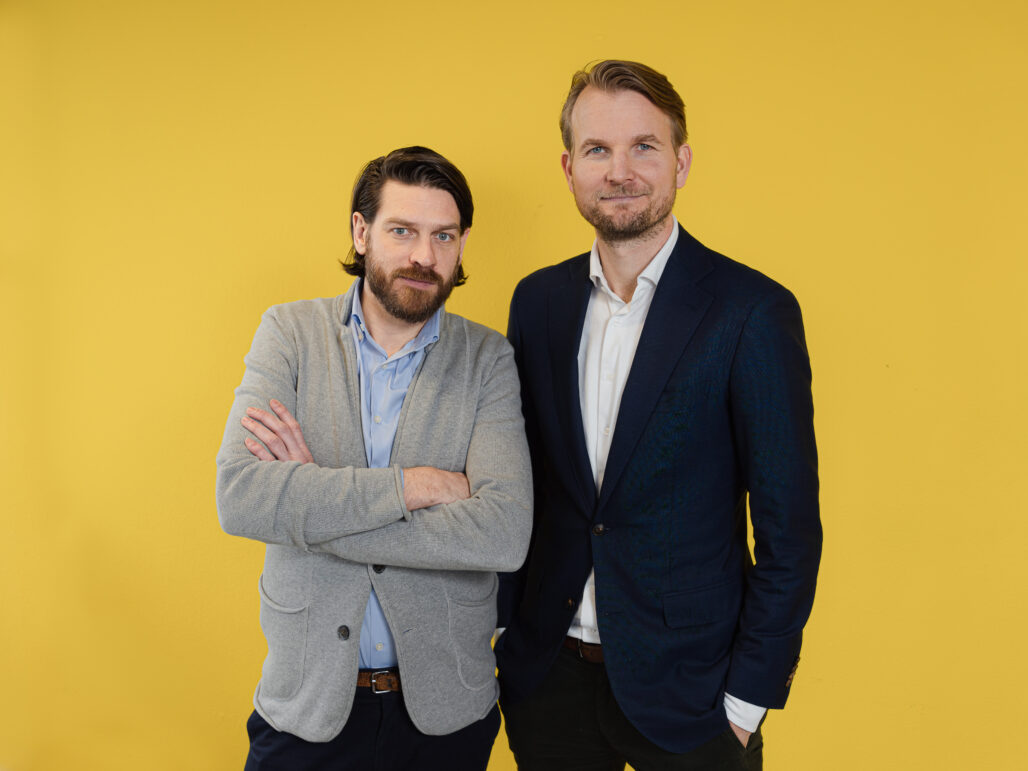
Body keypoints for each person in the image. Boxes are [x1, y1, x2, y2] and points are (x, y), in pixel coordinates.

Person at [495, 60, 822, 770]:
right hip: (548, 682)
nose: (620, 171)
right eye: (597, 149)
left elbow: (789, 532)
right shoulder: (538, 302)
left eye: (644, 146)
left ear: (682, 161)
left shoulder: (751, 311)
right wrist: (504, 637)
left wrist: (745, 704)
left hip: (695, 696)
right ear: (569, 168)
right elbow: (523, 482)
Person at [216, 146, 532, 771]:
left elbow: (503, 532)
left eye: (444, 236)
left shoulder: (488, 358)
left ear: (462, 244)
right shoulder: (289, 334)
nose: (424, 256)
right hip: (307, 706)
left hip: (446, 714)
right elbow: (242, 496)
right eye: (402, 231)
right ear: (361, 232)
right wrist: (415, 485)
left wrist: (311, 504)